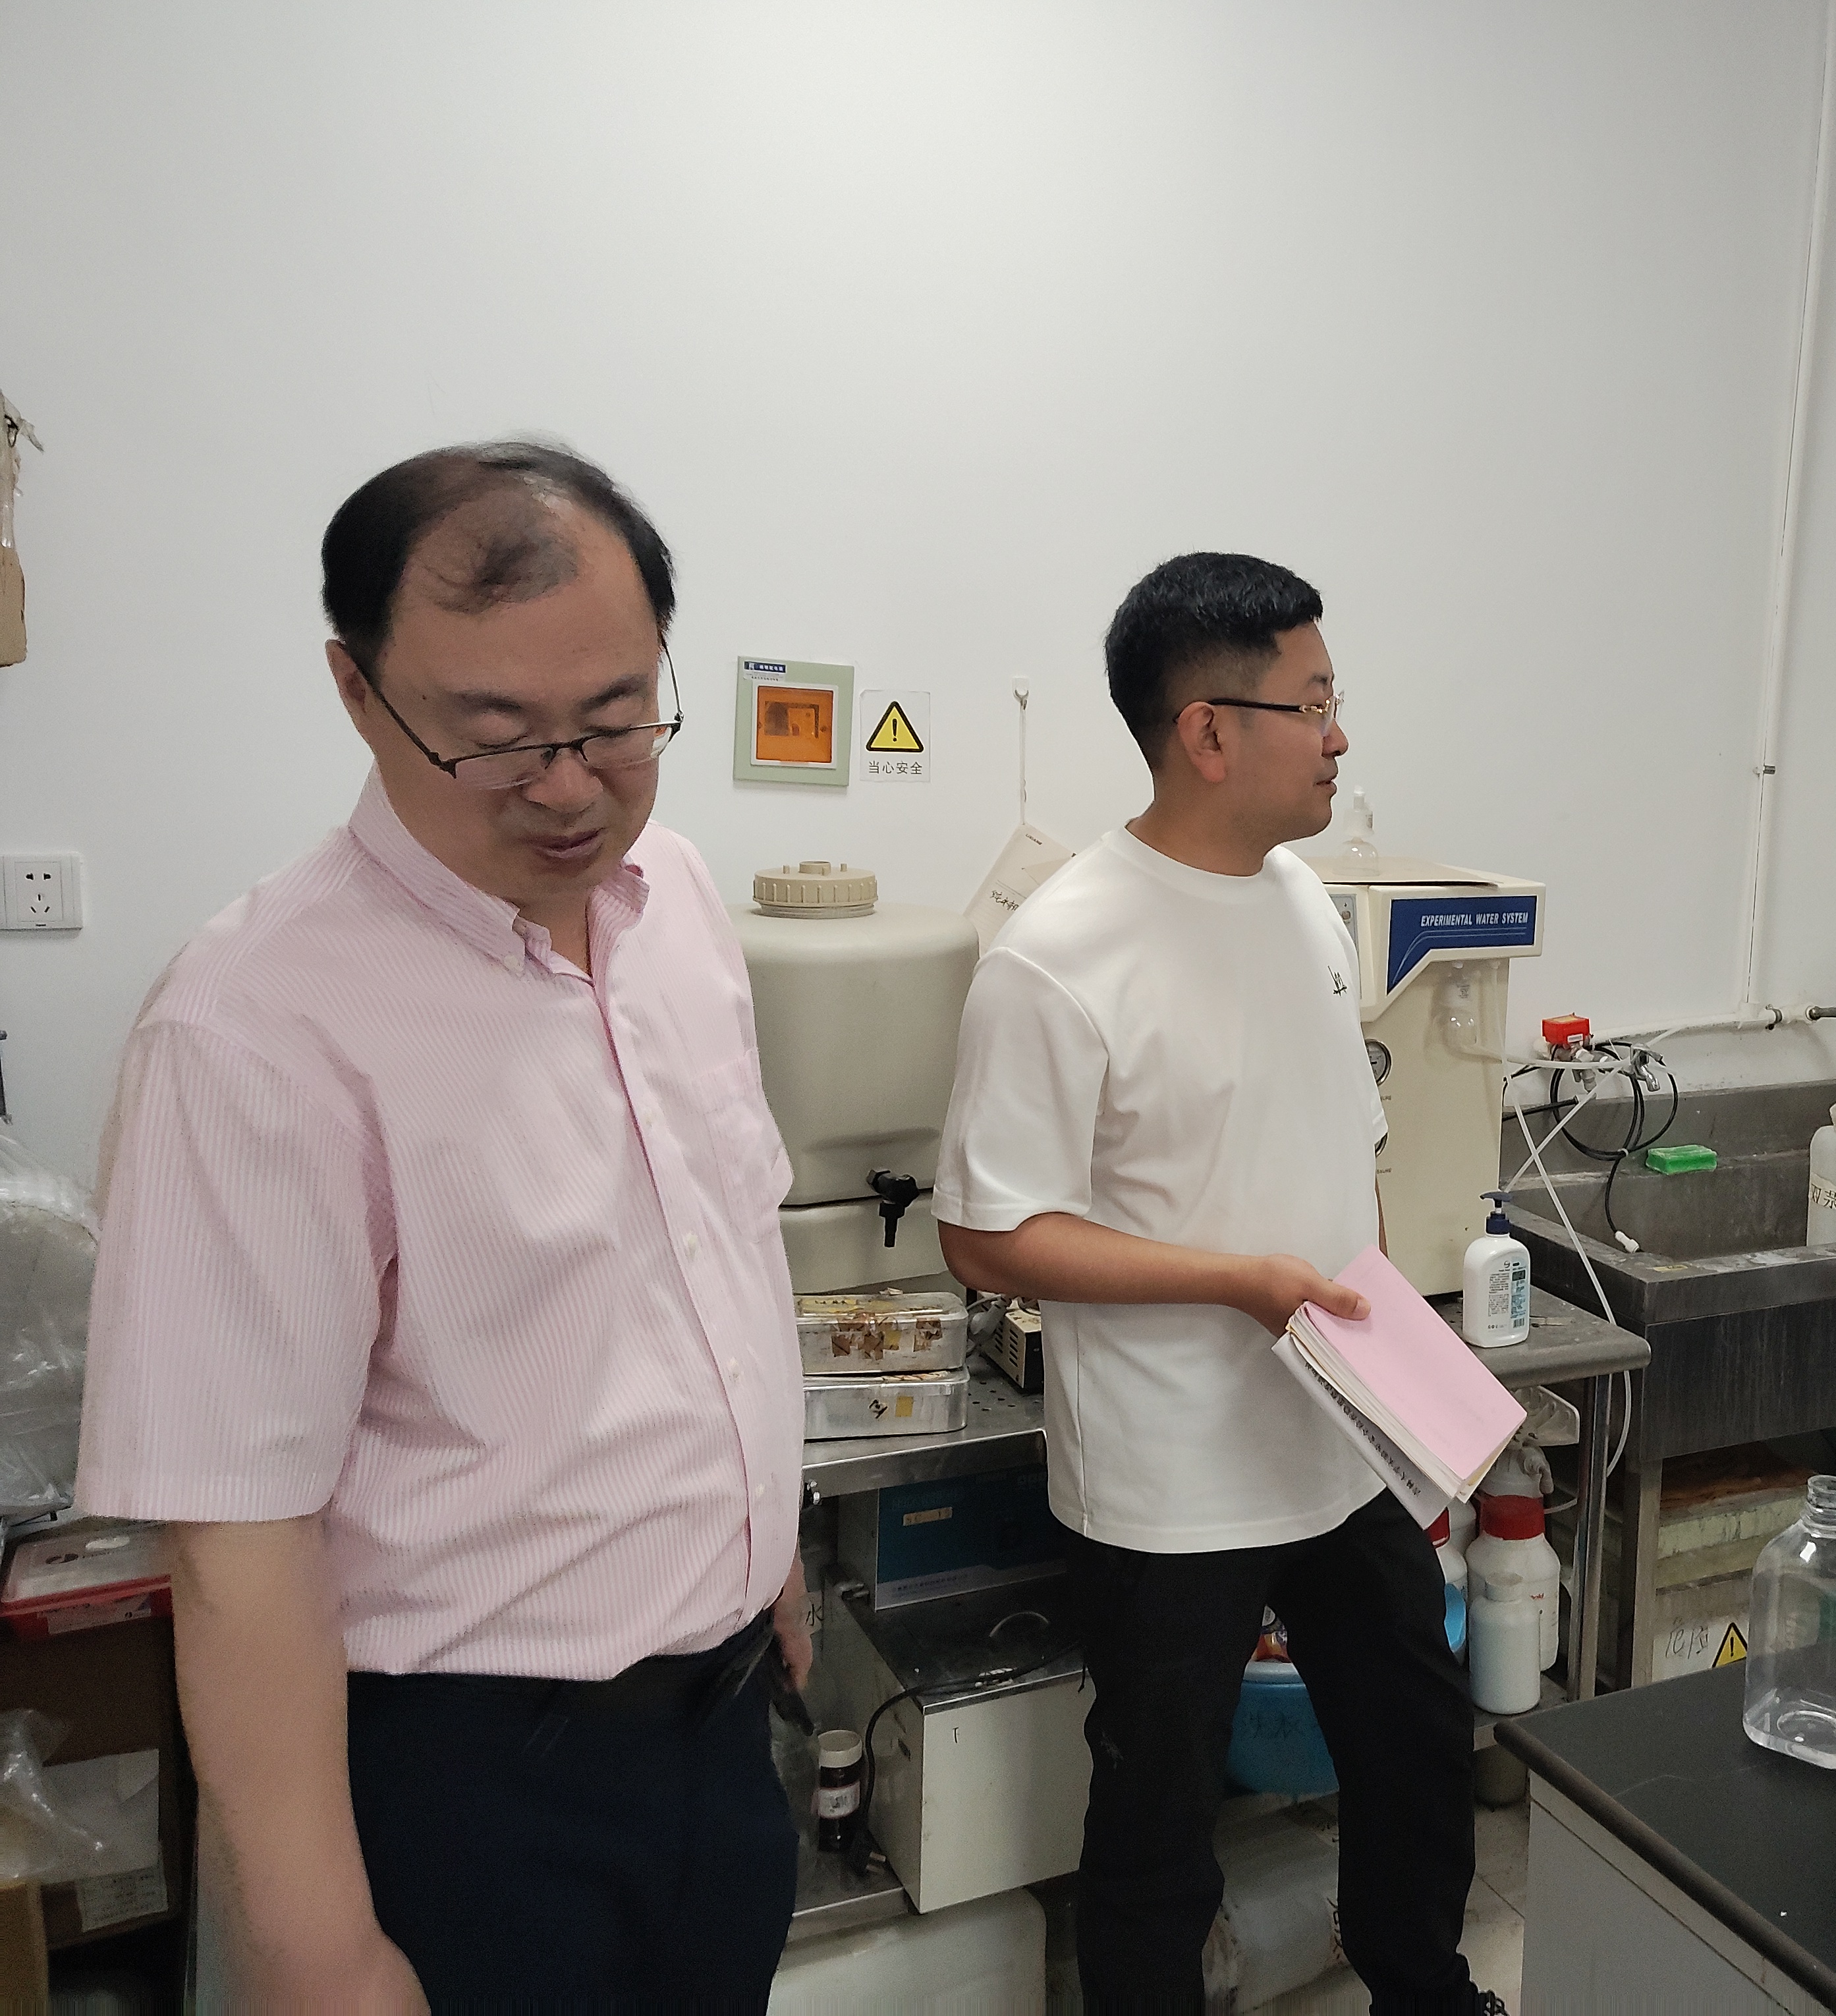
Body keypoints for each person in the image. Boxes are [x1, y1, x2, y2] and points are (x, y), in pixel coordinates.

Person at [76, 443, 806, 2009]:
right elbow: (237, 1535)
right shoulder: (256, 1025)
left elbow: (714, 1263)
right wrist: (319, 1951)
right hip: (477, 1780)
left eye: (616, 718)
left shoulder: (677, 900)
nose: (569, 785)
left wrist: (771, 1554)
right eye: (495, 738)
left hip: (723, 1732)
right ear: (358, 691)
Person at [935, 553, 1488, 2015]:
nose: (1340, 736)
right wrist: (1238, 1283)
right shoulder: (1060, 954)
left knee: (1418, 1747)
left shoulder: (1302, 900)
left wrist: (1397, 1363)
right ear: (1208, 733)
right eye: (1313, 705)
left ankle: (1427, 1994)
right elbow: (986, 1237)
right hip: (1171, 1479)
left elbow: (1343, 1145)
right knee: (1158, 1825)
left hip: (1338, 1437)